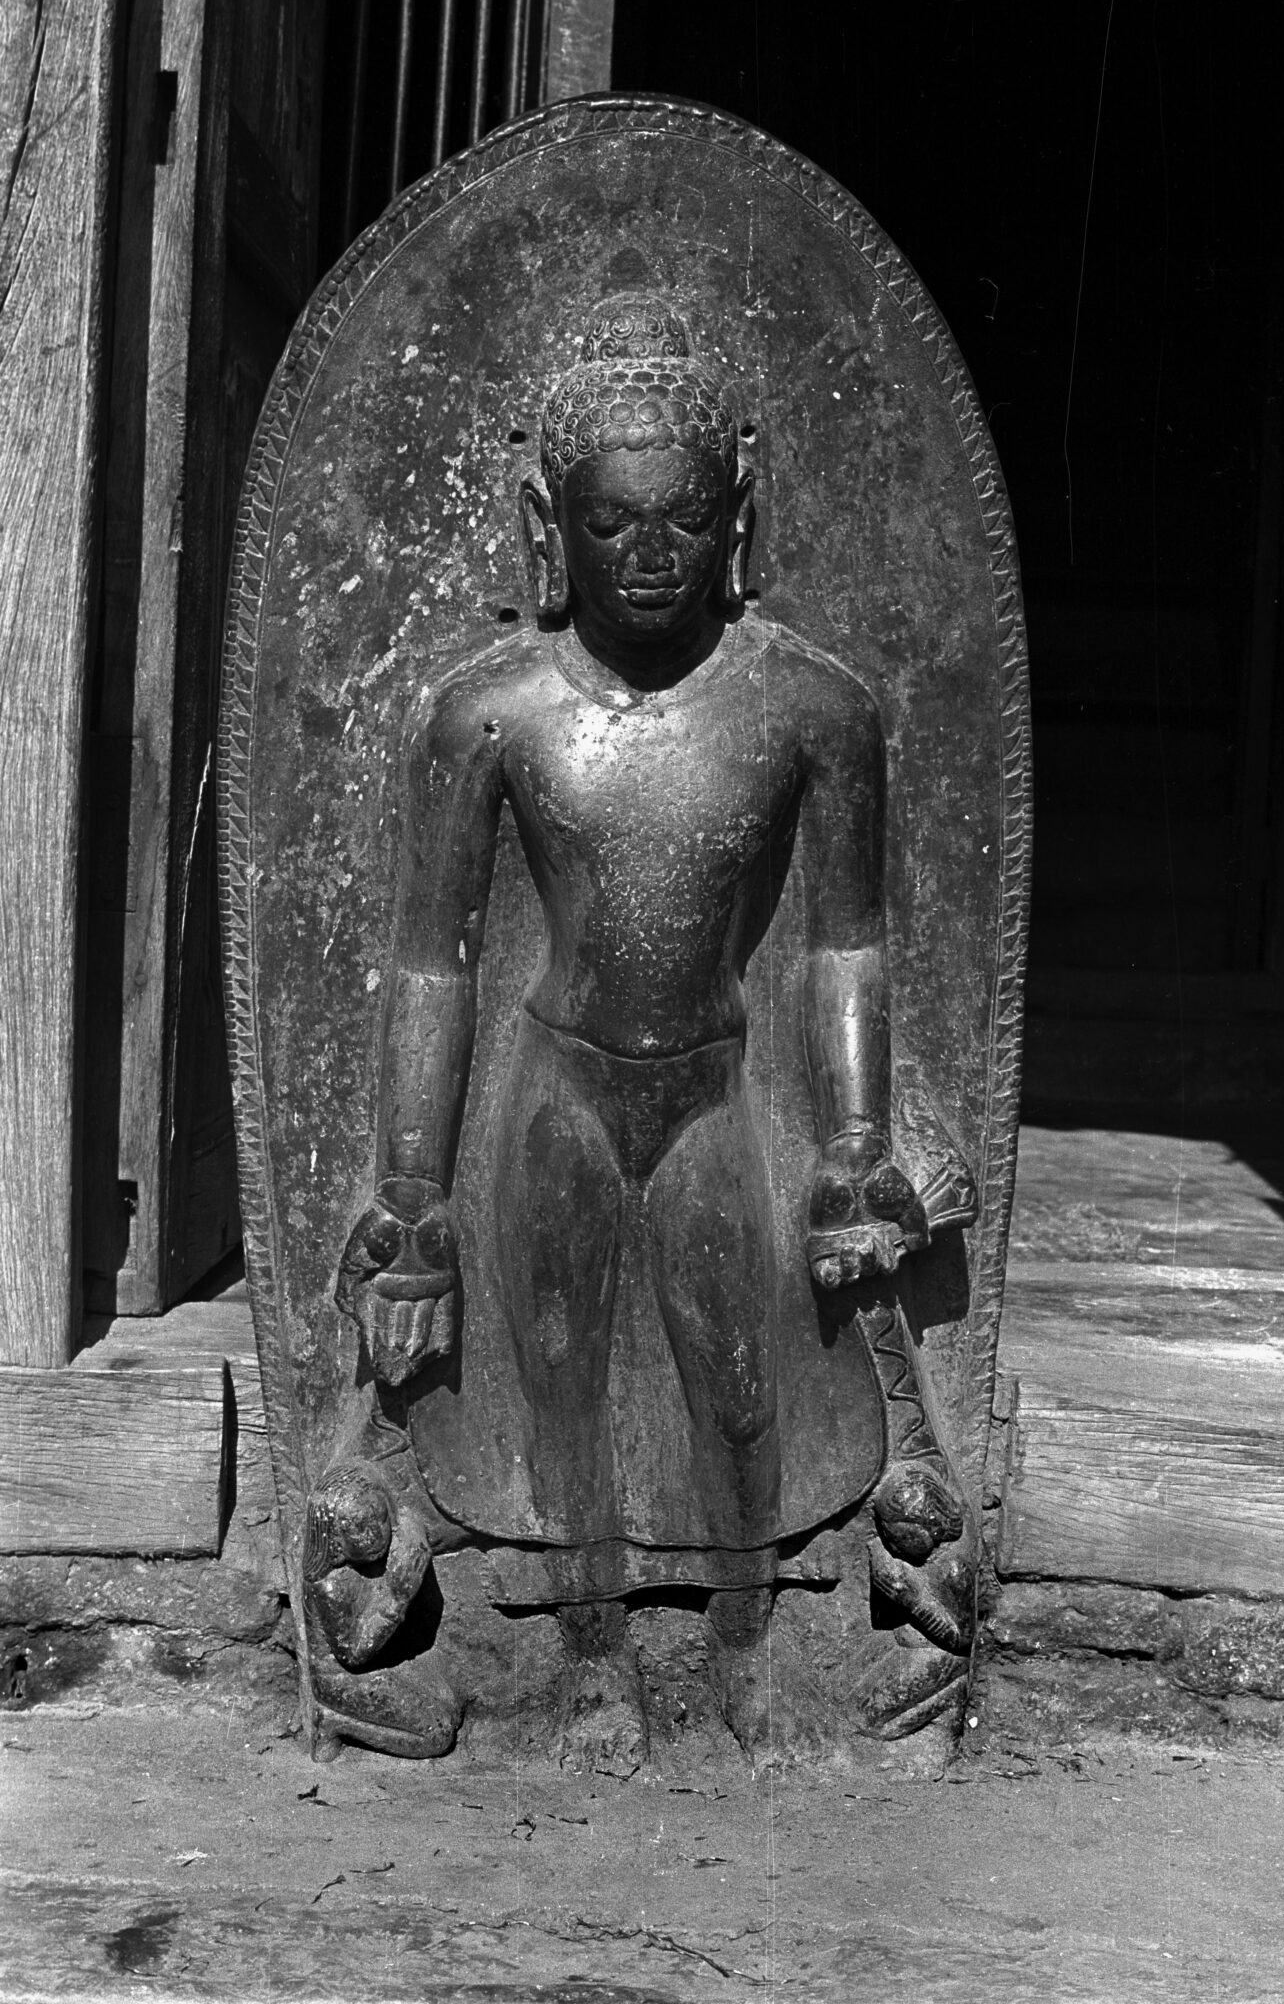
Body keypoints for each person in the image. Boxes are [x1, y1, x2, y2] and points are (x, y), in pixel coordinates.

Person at [325, 294, 970, 1753]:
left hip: (718, 1089)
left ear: (739, 512)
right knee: (559, 1386)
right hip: (552, 1085)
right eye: (613, 526)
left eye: (684, 520)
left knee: (736, 1389)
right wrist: (415, 1204)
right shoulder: (488, 714)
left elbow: (848, 942)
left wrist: (859, 1146)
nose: (651, 557)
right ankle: (599, 1667)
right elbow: (435, 965)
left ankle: (746, 1654)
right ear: (549, 523)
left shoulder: (814, 708)